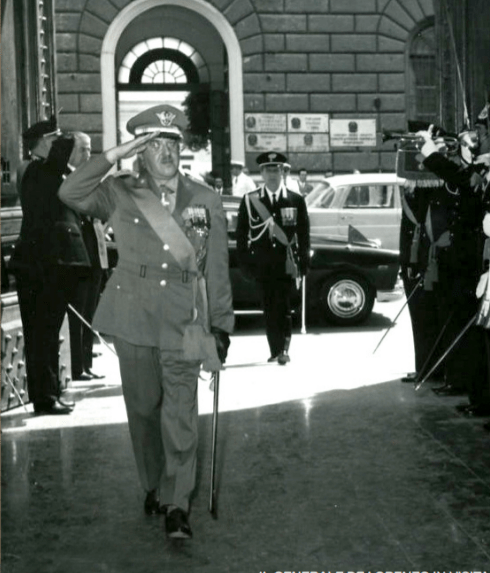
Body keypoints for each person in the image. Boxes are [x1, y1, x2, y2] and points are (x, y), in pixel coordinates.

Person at [59, 104, 234, 540]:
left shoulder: (205, 198)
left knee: (180, 412)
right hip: (134, 315)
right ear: (141, 150)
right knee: (142, 410)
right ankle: (154, 482)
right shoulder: (119, 192)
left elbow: (216, 268)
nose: (166, 152)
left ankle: (177, 504)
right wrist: (112, 155)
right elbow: (70, 192)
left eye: (172, 143)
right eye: (155, 144)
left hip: (184, 318)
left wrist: (221, 325)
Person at [10, 121, 77, 415]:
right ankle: (46, 397)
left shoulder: (38, 169)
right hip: (41, 265)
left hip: (40, 264)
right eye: (53, 138)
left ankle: (48, 393)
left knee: (45, 334)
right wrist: (63, 136)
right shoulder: (37, 169)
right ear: (43, 142)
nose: (58, 143)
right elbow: (65, 147)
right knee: (43, 334)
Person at [236, 151, 310, 365]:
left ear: (282, 172)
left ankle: (284, 349)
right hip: (263, 264)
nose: (272, 174)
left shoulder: (295, 200)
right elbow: (241, 235)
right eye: (268, 170)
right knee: (269, 308)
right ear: (261, 173)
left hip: (286, 263)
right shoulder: (250, 201)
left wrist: (304, 262)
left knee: (285, 307)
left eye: (276, 170)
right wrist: (245, 264)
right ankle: (275, 349)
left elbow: (303, 234)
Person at [64, 131, 109, 382]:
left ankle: (86, 361)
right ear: (70, 151)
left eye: (90, 149)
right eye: (83, 149)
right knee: (79, 311)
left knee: (90, 310)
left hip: (95, 251)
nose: (88, 154)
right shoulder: (68, 179)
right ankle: (77, 365)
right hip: (81, 253)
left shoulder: (88, 178)